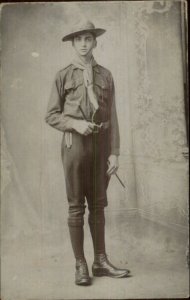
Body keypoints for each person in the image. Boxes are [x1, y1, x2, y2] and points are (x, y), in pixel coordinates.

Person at [45, 20, 130, 286]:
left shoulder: (105, 75)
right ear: (72, 43)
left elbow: (113, 116)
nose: (83, 44)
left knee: (98, 204)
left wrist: (114, 152)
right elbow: (51, 115)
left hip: (101, 145)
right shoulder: (63, 75)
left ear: (95, 42)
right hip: (75, 146)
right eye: (79, 39)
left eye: (88, 39)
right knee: (75, 207)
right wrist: (74, 123)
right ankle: (80, 264)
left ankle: (100, 261)